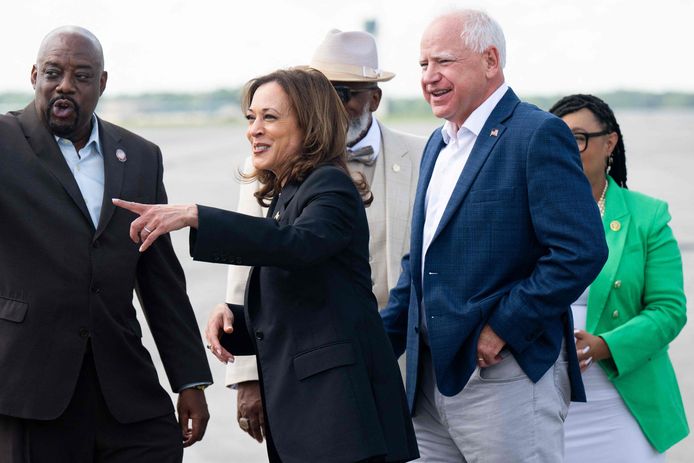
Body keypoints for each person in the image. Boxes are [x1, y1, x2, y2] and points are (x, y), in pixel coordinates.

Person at [114, 68, 419, 463]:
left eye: (269, 117)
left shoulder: (331, 186)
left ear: (309, 125)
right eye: (251, 118)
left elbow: (296, 246)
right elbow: (304, 301)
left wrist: (196, 215)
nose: (253, 130)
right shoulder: (291, 192)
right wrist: (235, 321)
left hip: (340, 420)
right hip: (313, 419)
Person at [379, 10, 609, 462]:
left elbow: (581, 251)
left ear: (489, 60)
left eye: (442, 61)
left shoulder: (537, 133)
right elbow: (420, 262)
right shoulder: (436, 144)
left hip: (504, 378)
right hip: (426, 384)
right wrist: (382, 346)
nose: (429, 77)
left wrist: (505, 326)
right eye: (423, 65)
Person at [0, 26, 211, 462]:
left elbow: (160, 280)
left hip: (124, 387)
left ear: (102, 83)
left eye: (81, 76)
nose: (64, 86)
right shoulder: (4, 143)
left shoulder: (139, 156)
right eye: (53, 73)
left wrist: (190, 378)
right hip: (29, 387)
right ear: (34, 75)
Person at [212, 29, 426, 443]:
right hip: (314, 373)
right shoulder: (266, 160)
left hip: (406, 365)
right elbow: (248, 266)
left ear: (373, 99)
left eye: (344, 92)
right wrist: (248, 375)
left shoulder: (422, 154)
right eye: (321, 91)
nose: (331, 104)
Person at [548, 94, 689, 461]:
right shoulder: (529, 211)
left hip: (619, 402)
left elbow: (669, 310)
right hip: (539, 397)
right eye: (558, 140)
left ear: (609, 142)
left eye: (578, 138)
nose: (568, 149)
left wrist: (604, 346)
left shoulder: (647, 216)